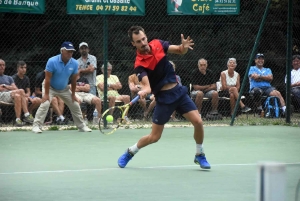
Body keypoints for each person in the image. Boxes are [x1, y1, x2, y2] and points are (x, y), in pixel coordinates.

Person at [117, 26, 210, 169]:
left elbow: (180, 50)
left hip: (178, 92)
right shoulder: (139, 64)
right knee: (154, 137)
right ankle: (130, 151)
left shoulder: (158, 44)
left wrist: (184, 46)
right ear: (133, 44)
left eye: (143, 39)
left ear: (146, 37)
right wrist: (143, 91)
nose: (143, 43)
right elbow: (147, 86)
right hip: (164, 99)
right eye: (138, 41)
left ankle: (199, 154)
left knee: (198, 122)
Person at [32, 42, 92, 133]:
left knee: (75, 104)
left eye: (72, 52)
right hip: (50, 87)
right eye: (68, 51)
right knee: (45, 103)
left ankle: (81, 126)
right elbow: (47, 79)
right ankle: (36, 126)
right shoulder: (52, 61)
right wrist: (46, 94)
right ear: (62, 51)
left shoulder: (74, 63)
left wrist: (73, 95)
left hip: (64, 88)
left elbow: (73, 80)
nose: (70, 53)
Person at [0, 59, 34, 126]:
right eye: (0, 65)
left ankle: (18, 120)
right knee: (21, 91)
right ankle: (27, 114)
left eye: (3, 65)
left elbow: (15, 88)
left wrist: (5, 86)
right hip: (1, 96)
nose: (2, 67)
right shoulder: (12, 78)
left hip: (11, 95)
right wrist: (10, 87)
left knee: (18, 96)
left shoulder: (9, 78)